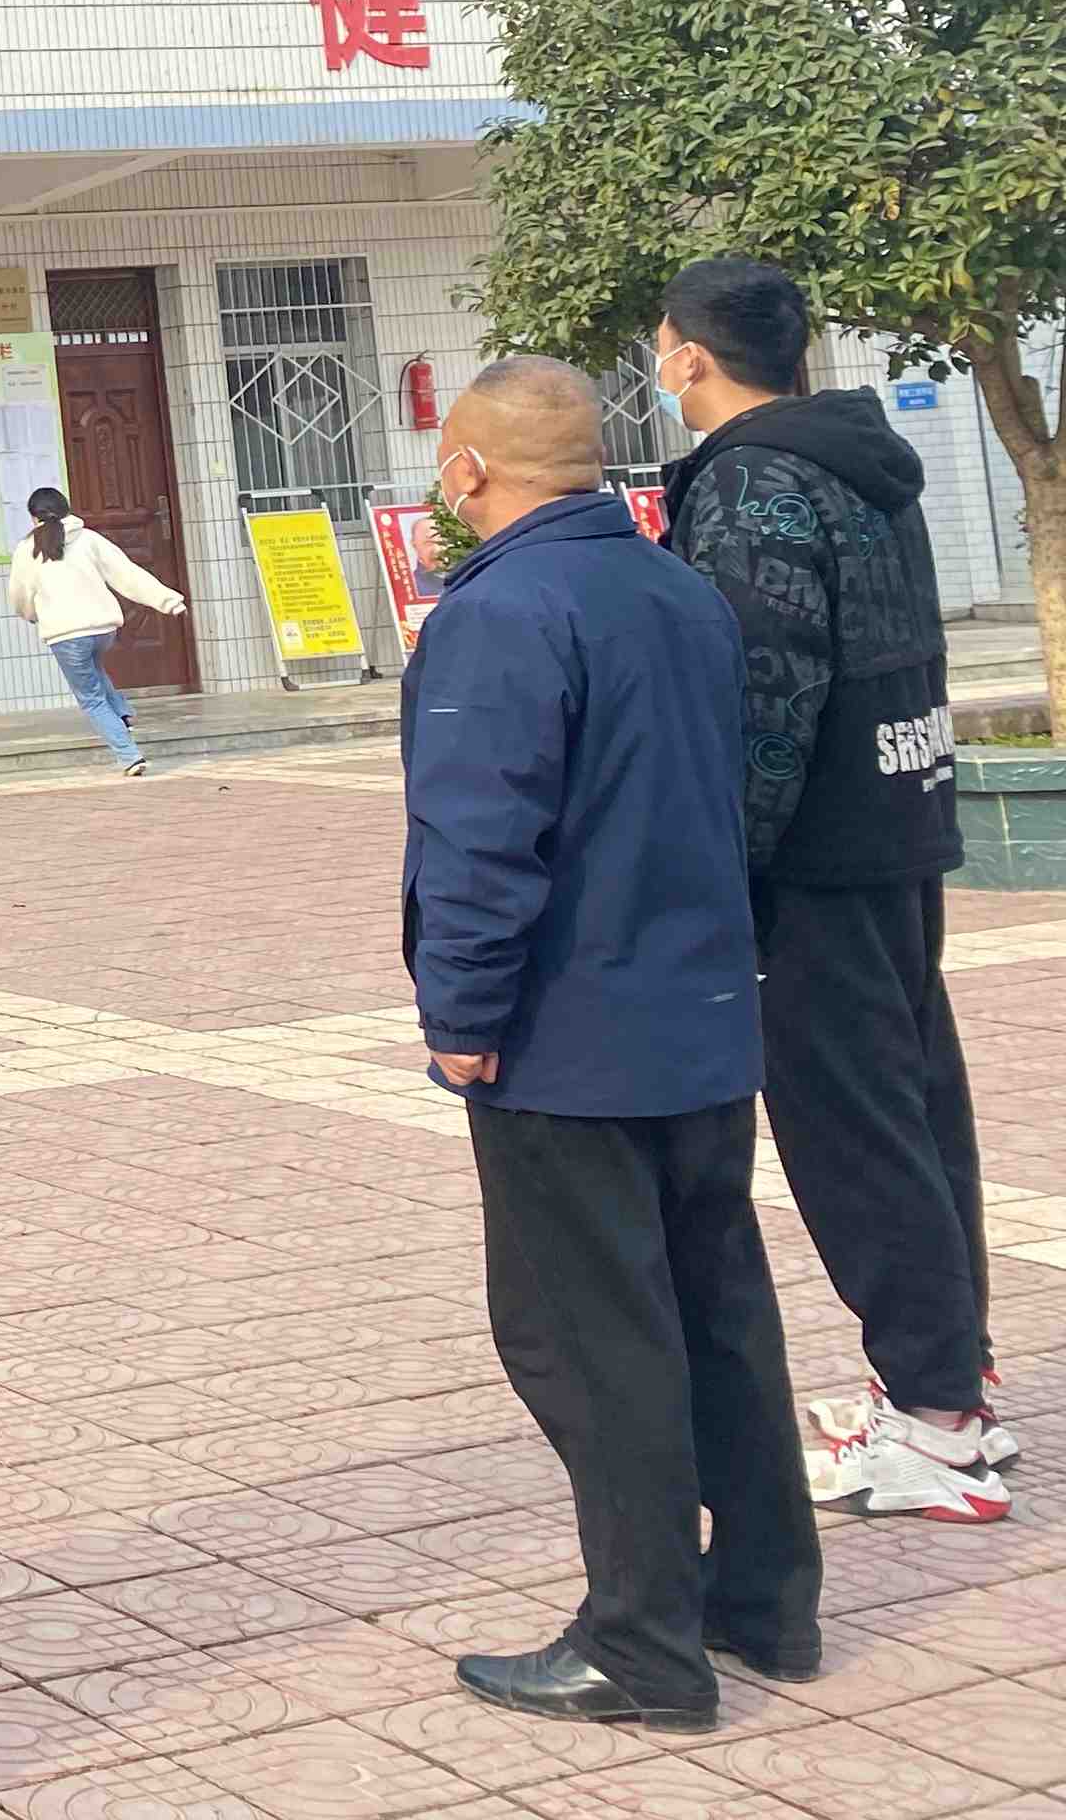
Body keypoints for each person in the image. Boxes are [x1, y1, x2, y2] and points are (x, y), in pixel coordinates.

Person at [404, 355, 821, 1727]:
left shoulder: (501, 610)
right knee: (717, 1312)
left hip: (565, 1037)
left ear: (469, 469)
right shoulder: (678, 589)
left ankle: (642, 1644)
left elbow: (481, 833)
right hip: (696, 1017)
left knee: (587, 1338)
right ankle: (764, 1599)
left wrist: (462, 1015)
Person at [654, 256, 1012, 1521]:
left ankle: (938, 1427)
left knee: (854, 1136)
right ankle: (950, 1376)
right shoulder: (859, 460)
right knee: (915, 1112)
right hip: (897, 820)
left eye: (662, 345)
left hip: (812, 859)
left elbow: (766, 691)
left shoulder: (752, 478)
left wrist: (730, 861)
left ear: (692, 357)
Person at [5, 484, 188, 772]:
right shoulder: (89, 539)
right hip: (103, 630)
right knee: (93, 670)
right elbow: (127, 573)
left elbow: (20, 595)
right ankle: (121, 713)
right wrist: (169, 602)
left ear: (33, 517)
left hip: (65, 635)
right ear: (67, 510)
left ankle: (130, 756)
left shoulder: (27, 550)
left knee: (90, 699)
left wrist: (30, 615)